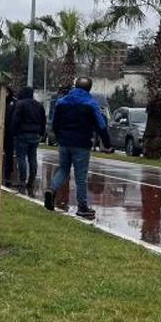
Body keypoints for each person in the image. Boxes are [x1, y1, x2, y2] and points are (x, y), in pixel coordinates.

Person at [44, 77, 112, 219]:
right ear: (89, 88)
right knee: (81, 176)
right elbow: (101, 125)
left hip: (64, 142)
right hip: (82, 143)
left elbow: (55, 122)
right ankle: (82, 207)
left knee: (63, 169)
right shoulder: (91, 103)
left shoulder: (62, 102)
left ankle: (51, 189)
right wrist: (107, 143)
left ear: (75, 86)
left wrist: (59, 137)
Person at [8, 86, 46, 195]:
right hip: (35, 135)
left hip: (22, 134)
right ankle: (31, 181)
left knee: (21, 158)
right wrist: (41, 133)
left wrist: (13, 132)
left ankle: (22, 181)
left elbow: (15, 119)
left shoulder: (20, 104)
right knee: (32, 158)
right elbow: (43, 121)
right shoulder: (39, 106)